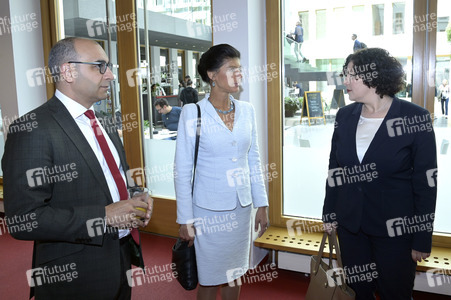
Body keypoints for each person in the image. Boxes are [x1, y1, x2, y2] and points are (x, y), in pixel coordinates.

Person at [1, 37, 152, 299]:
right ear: (68, 71)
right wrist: (103, 216)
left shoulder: (103, 120)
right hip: (74, 274)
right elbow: (22, 220)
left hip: (120, 257)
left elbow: (114, 178)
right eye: (99, 66)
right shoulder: (32, 129)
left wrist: (135, 195)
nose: (111, 75)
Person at [323, 48, 437, 300]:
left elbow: (426, 183)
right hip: (352, 227)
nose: (345, 82)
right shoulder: (345, 115)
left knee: (394, 292)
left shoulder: (414, 118)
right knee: (357, 291)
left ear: (372, 77)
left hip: (396, 230)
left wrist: (422, 237)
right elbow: (335, 170)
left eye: (351, 75)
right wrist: (329, 213)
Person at [175, 43, 269, 300]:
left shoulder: (247, 111)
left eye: (240, 69)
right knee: (209, 278)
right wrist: (185, 219)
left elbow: (254, 158)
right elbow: (182, 170)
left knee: (235, 272)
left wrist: (262, 204)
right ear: (212, 75)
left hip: (241, 209)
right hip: (208, 212)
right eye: (232, 69)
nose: (239, 75)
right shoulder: (192, 113)